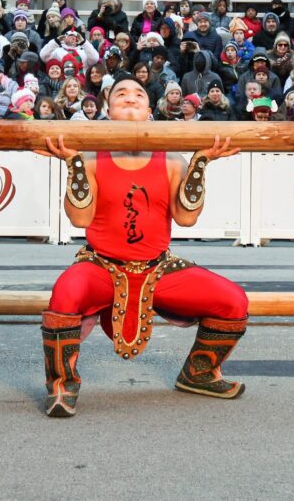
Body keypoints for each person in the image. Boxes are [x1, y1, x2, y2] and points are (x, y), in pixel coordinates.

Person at [36, 77, 248, 417]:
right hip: (101, 267)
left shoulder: (171, 160)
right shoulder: (89, 156)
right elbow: (79, 219)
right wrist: (73, 163)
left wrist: (201, 162)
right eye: (121, 94)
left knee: (233, 301)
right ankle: (63, 385)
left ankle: (200, 373)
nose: (130, 99)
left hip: (157, 269)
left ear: (150, 110)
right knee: (65, 294)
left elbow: (187, 218)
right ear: (108, 109)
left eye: (138, 95)